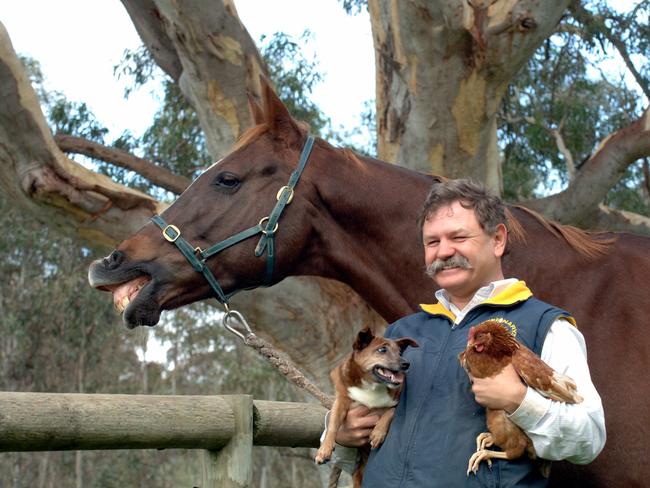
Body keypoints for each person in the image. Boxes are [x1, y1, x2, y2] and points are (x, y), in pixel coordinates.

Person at [327, 179, 605, 487]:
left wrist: (519, 400)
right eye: (432, 242)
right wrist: (343, 434)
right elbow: (361, 428)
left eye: (458, 237)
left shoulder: (545, 326)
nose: (444, 251)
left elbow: (588, 439)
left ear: (498, 240)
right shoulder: (401, 332)